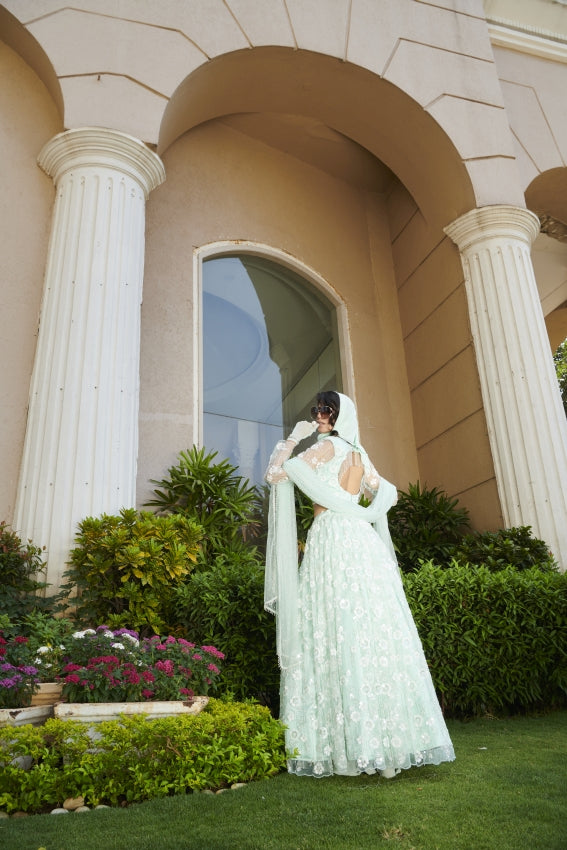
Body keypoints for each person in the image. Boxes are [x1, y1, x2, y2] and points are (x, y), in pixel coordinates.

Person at [264, 390, 455, 778]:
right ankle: (385, 745)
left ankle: (348, 748)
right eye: (317, 411)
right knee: (370, 629)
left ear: (338, 416)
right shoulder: (359, 454)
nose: (320, 416)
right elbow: (386, 493)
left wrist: (292, 440)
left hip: (332, 539)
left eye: (326, 411)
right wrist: (360, 510)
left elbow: (275, 475)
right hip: (361, 540)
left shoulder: (325, 450)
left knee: (335, 631)